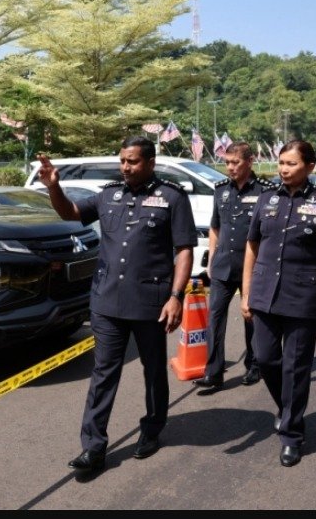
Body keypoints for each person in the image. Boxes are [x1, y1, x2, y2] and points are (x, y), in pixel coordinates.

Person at [37, 136, 197, 473]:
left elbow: (184, 249)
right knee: (103, 373)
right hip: (107, 301)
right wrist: (54, 187)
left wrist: (176, 297)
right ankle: (93, 447)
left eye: (133, 162)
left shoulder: (171, 197)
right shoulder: (109, 194)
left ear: (150, 162)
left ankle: (152, 429)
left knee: (153, 371)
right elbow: (72, 212)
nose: (126, 167)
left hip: (151, 304)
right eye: (122, 161)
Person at [241, 140, 316, 467]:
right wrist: (246, 293)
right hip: (264, 295)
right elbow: (252, 248)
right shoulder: (266, 199)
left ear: (310, 166)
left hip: (303, 298)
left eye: (292, 164)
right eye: (281, 163)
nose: (284, 169)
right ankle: (286, 407)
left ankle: (292, 435)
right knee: (266, 359)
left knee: (296, 368)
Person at [195, 142, 276, 391]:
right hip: (222, 266)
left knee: (250, 318)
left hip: (251, 268)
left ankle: (254, 365)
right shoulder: (221, 190)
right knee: (214, 319)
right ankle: (214, 372)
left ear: (249, 161)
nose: (229, 167)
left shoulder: (266, 191)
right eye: (227, 162)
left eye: (235, 162)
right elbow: (215, 227)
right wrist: (210, 260)